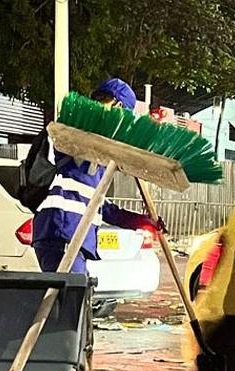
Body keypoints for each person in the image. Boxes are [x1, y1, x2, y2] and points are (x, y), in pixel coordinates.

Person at [32, 78, 156, 273]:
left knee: (76, 298)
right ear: (117, 107)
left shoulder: (98, 162)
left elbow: (102, 208)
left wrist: (140, 221)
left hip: (71, 238)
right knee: (70, 298)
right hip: (62, 234)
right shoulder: (78, 140)